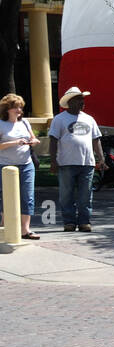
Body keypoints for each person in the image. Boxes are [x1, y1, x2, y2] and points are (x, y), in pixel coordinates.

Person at [47, 86, 104, 233]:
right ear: (70, 102)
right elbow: (53, 141)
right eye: (79, 99)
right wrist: (53, 161)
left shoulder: (89, 119)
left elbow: (96, 140)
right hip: (66, 163)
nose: (82, 102)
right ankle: (69, 222)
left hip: (87, 163)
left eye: (82, 99)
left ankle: (85, 222)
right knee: (66, 195)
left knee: (85, 196)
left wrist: (101, 159)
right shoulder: (59, 119)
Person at [0, 93, 40, 239]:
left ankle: (25, 230)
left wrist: (34, 141)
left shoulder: (24, 123)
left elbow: (32, 137)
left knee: (27, 196)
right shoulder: (1, 124)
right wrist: (15, 142)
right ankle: (4, 226)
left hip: (26, 164)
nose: (19, 110)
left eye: (20, 107)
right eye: (15, 107)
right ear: (7, 109)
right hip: (5, 166)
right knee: (5, 196)